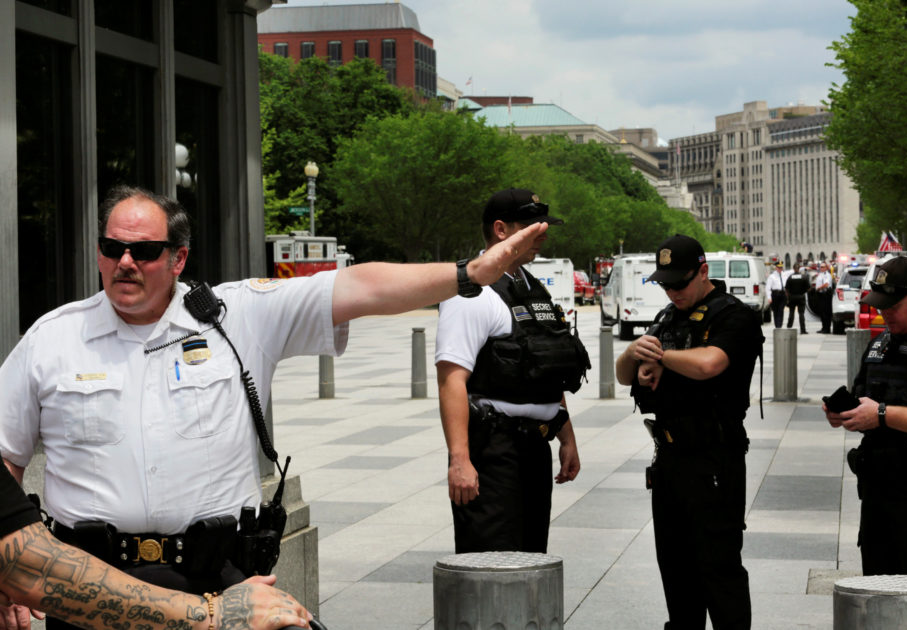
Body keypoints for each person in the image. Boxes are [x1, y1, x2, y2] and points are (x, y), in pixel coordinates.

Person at [0, 185, 545, 630]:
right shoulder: (52, 339)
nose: (124, 262)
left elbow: (361, 286)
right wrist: (11, 579)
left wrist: (467, 275)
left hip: (221, 587)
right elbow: (5, 459)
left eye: (143, 251)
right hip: (93, 599)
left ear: (178, 257)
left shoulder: (237, 316)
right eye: (111, 247)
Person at [615, 234, 763, 630]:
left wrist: (662, 357)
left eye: (679, 283)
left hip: (713, 457)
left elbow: (710, 364)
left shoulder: (732, 315)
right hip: (669, 459)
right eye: (665, 283)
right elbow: (622, 373)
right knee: (676, 567)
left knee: (718, 567)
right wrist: (635, 355)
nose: (672, 291)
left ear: (703, 271)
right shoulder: (668, 316)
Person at [434, 188, 589, 553]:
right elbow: (451, 379)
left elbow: (543, 366)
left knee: (531, 557)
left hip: (534, 446)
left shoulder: (529, 285)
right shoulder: (471, 292)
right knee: (491, 562)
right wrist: (460, 460)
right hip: (493, 450)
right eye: (532, 226)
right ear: (501, 230)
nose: (543, 233)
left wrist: (566, 436)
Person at [0, 455, 311, 630]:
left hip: (213, 566)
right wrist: (214, 614)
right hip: (92, 583)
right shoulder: (47, 344)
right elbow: (28, 568)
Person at [823, 256, 907, 578]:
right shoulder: (882, 342)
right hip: (878, 495)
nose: (885, 314)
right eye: (881, 306)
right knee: (879, 587)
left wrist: (881, 415)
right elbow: (864, 398)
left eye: (893, 306)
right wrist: (845, 413)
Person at [784, 262, 810, 334]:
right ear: (799, 269)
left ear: (793, 269)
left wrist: (788, 297)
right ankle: (803, 330)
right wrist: (803, 292)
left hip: (792, 297)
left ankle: (789, 327)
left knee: (791, 312)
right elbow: (808, 288)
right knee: (801, 314)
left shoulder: (790, 277)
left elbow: (786, 289)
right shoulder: (804, 277)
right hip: (801, 297)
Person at [764, 261, 788, 328]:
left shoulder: (784, 274)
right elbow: (768, 288)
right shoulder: (772, 276)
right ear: (776, 268)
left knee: (781, 310)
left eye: (781, 267)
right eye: (779, 268)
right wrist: (769, 297)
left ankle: (779, 325)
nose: (780, 269)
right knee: (776, 311)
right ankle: (777, 325)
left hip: (783, 294)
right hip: (775, 295)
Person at [815, 262, 834, 333]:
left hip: (825, 294)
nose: (821, 268)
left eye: (823, 267)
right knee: (822, 312)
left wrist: (818, 288)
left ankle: (827, 329)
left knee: (826, 312)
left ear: (826, 268)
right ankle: (823, 327)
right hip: (821, 295)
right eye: (821, 267)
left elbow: (826, 284)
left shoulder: (827, 275)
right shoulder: (821, 274)